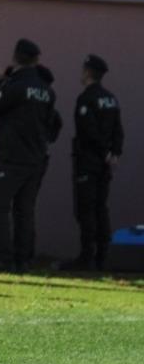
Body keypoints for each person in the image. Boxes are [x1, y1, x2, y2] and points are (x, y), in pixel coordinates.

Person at [0, 38, 62, 272]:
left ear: (15, 58)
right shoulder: (47, 91)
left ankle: (3, 257)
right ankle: (23, 258)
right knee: (24, 210)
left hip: (11, 157)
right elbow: (55, 123)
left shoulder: (15, 86)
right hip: (36, 158)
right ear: (36, 60)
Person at [64, 54, 124, 271]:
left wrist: (104, 152)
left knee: (86, 209)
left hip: (88, 162)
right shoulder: (111, 99)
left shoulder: (86, 99)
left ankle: (86, 257)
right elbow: (118, 130)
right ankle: (102, 256)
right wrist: (114, 153)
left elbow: (88, 131)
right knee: (101, 208)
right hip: (104, 164)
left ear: (88, 72)